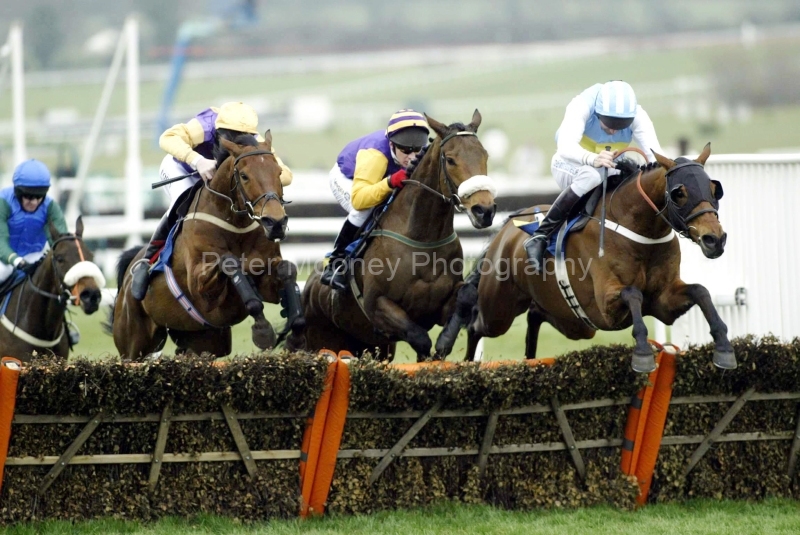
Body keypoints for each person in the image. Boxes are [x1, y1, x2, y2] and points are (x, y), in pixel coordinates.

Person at [130, 101, 293, 301]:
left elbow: (286, 175)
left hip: (218, 178)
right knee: (182, 200)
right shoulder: (205, 125)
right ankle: (147, 260)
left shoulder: (256, 141)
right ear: (219, 130)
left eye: (244, 136)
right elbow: (166, 138)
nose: (238, 142)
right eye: (232, 136)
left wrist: (265, 174)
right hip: (183, 168)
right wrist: (197, 160)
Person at [523, 80, 664, 272]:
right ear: (597, 113)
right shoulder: (581, 105)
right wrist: (592, 158)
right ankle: (540, 235)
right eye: (609, 124)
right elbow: (565, 147)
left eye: (621, 125)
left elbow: (656, 156)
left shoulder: (638, 115)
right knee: (591, 175)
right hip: (569, 164)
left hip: (606, 167)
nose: (614, 130)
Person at [320, 109, 430, 290]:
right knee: (365, 210)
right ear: (392, 144)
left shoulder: (419, 152)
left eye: (417, 150)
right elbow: (359, 199)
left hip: (380, 177)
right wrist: (390, 182)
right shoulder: (375, 155)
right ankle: (335, 263)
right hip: (348, 179)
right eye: (405, 150)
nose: (411, 157)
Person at [0, 159, 68, 286]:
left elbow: (61, 242)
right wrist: (16, 260)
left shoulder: (51, 207)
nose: (34, 202)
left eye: (39, 197)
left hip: (33, 256)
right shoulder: (3, 202)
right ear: (18, 192)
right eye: (29, 197)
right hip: (3, 260)